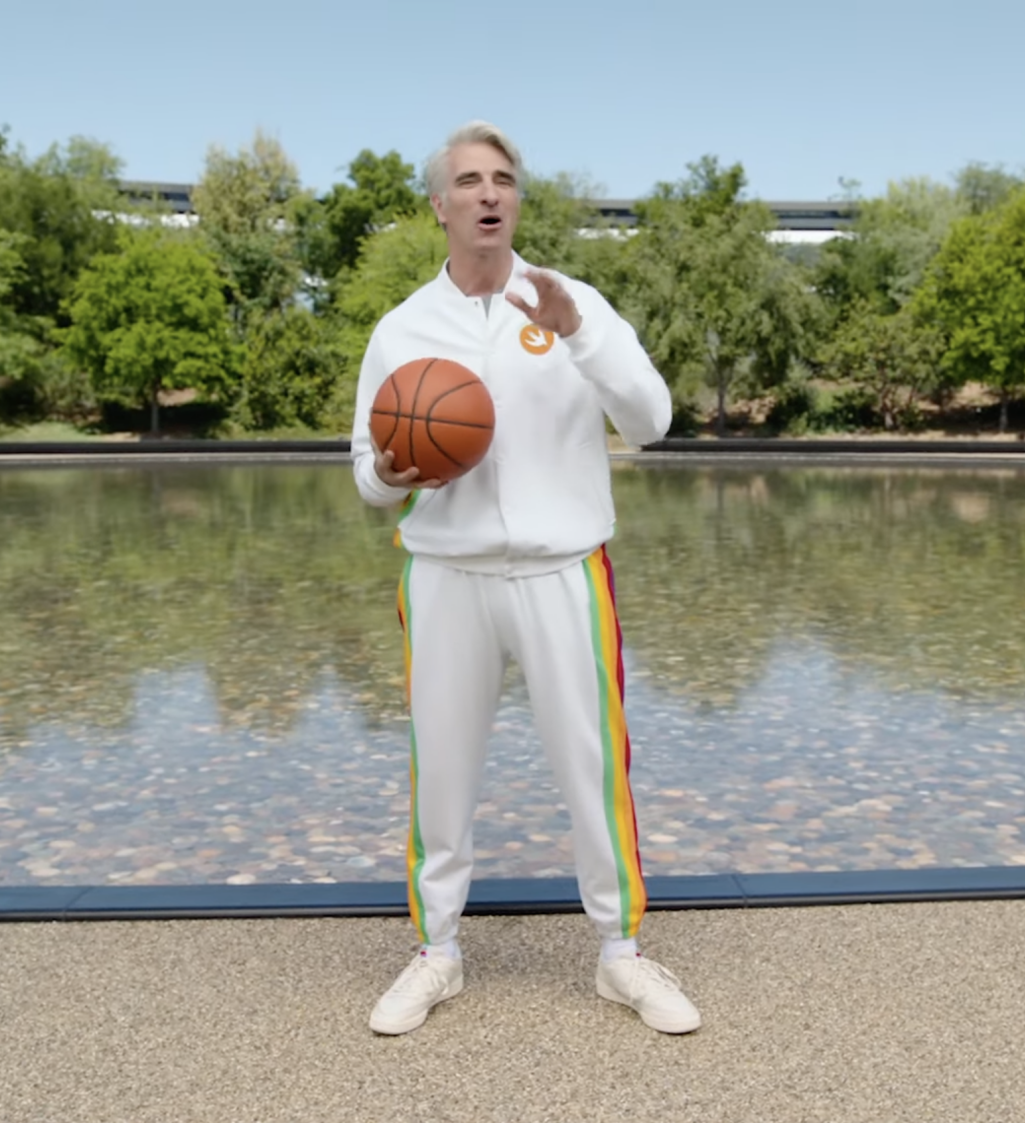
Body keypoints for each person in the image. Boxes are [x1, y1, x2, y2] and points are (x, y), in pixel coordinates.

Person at [347, 120, 698, 1036]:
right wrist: (394, 469)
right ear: (439, 204)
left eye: (503, 178)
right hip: (445, 575)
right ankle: (437, 953)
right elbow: (366, 475)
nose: (489, 193)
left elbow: (655, 421)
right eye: (468, 180)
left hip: (563, 571)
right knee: (442, 775)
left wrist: (579, 335)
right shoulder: (402, 328)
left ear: (518, 198)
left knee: (595, 768)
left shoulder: (570, 299)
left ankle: (621, 954)